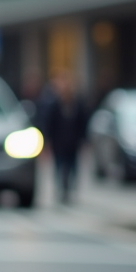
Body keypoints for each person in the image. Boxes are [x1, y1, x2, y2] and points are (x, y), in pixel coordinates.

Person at [42, 70, 89, 204]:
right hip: (59, 143)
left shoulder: (77, 104)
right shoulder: (54, 105)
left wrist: (84, 140)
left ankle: (69, 189)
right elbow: (49, 124)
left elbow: (82, 123)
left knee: (73, 166)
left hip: (73, 142)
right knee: (59, 166)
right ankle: (61, 188)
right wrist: (47, 142)